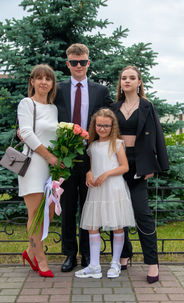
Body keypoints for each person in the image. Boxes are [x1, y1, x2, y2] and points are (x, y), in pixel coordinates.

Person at [54, 43, 113, 272]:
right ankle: (70, 254)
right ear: (68, 64)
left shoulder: (100, 90)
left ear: (89, 63)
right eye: (74, 62)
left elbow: (114, 118)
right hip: (66, 158)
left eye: (83, 62)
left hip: (92, 159)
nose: (79, 66)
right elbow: (41, 111)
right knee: (68, 208)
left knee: (90, 208)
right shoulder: (57, 89)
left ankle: (89, 255)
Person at [111, 65, 169, 283]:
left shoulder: (147, 106)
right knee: (117, 214)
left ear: (139, 82)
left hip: (139, 165)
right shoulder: (114, 107)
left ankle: (152, 263)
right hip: (117, 163)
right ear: (120, 83)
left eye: (132, 77)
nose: (127, 81)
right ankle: (124, 255)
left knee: (142, 214)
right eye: (124, 78)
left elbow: (157, 137)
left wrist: (154, 166)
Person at [75, 108, 135, 279]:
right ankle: (94, 266)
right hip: (97, 189)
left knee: (116, 226)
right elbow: (92, 166)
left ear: (112, 126)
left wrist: (107, 173)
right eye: (99, 125)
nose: (102, 128)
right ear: (94, 125)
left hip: (114, 188)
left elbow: (125, 167)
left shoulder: (116, 143)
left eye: (106, 125)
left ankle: (115, 263)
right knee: (93, 226)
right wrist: (89, 173)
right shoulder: (92, 145)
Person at [18, 64, 61, 277]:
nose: (44, 82)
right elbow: (26, 132)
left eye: (48, 78)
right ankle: (41, 260)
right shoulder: (27, 103)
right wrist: (48, 156)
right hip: (33, 163)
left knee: (49, 214)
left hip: (51, 167)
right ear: (32, 81)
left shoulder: (53, 108)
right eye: (39, 78)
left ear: (52, 84)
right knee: (35, 215)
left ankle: (29, 251)